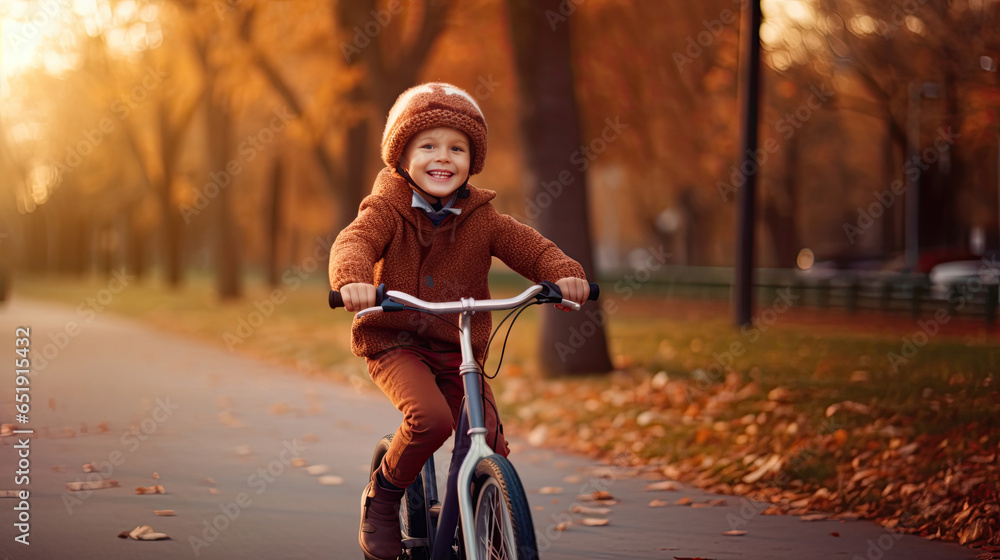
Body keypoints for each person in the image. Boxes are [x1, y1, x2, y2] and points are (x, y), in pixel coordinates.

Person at [328, 82, 589, 560]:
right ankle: (382, 496)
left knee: (487, 438)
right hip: (396, 341)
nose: (441, 157)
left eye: (457, 148)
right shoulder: (386, 207)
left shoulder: (482, 217)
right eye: (427, 146)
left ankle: (486, 523)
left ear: (473, 160)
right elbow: (356, 241)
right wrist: (353, 279)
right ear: (402, 157)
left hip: (457, 346)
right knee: (430, 420)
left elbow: (531, 246)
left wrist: (565, 275)